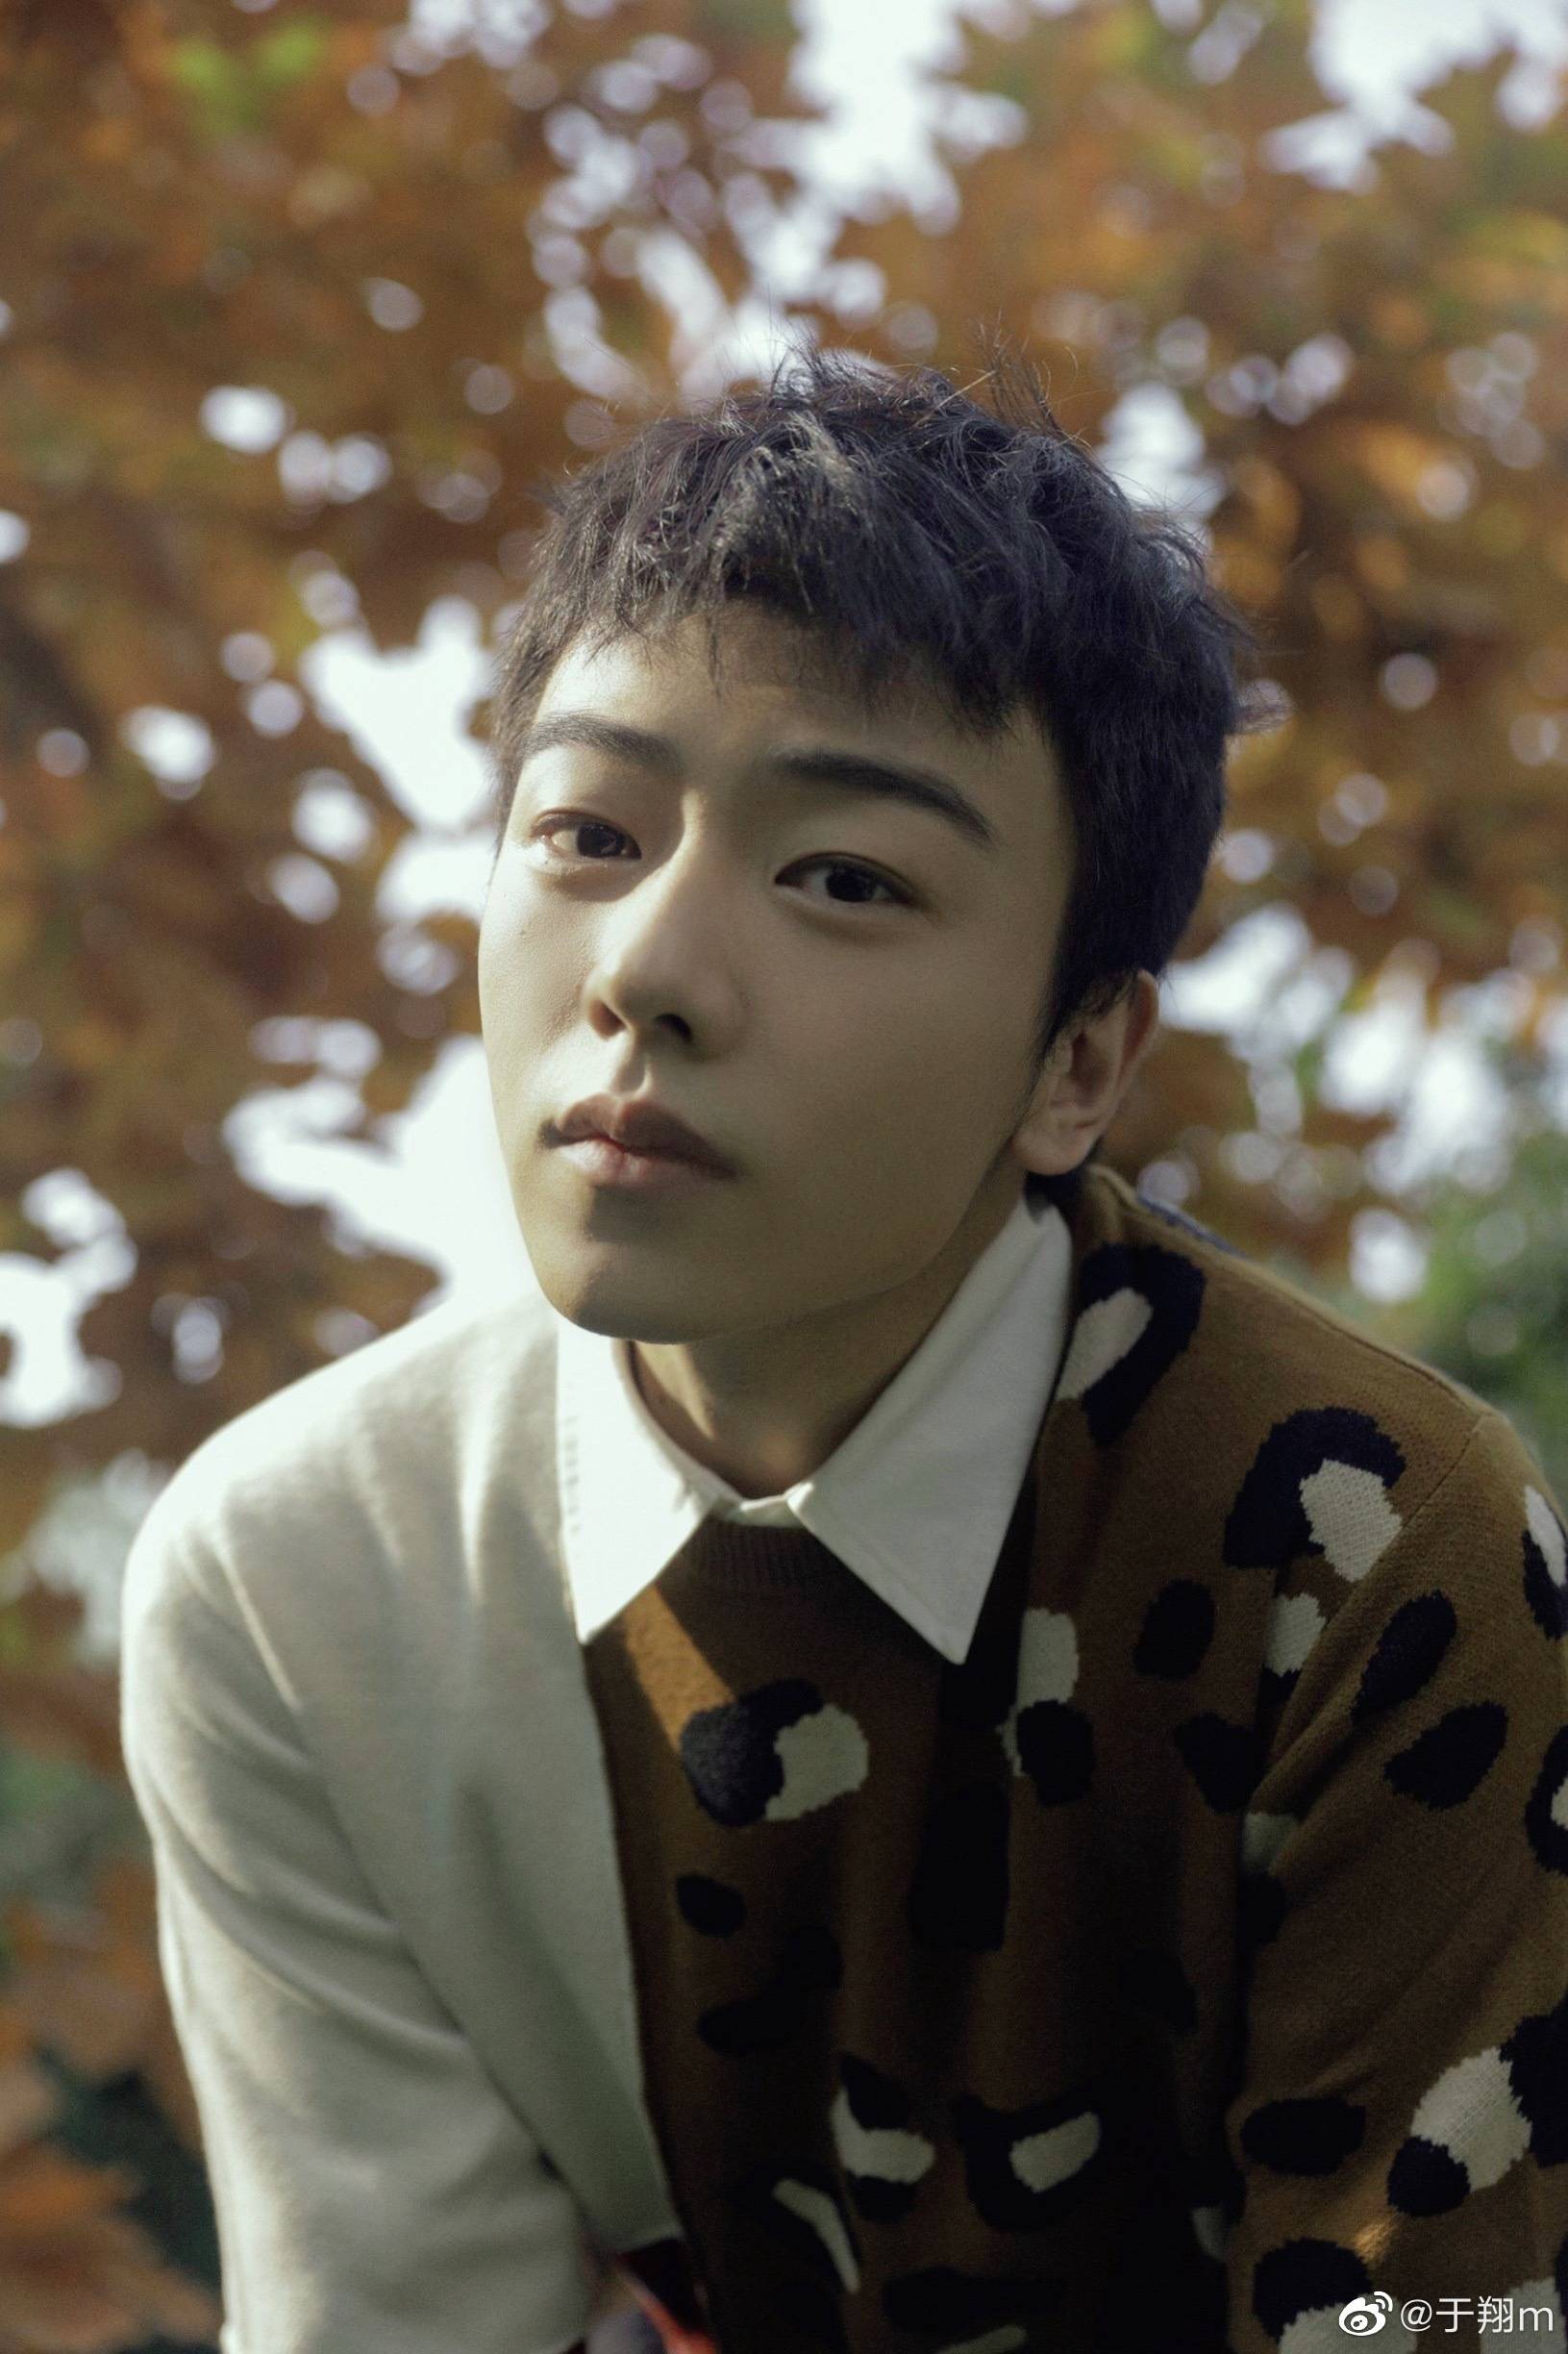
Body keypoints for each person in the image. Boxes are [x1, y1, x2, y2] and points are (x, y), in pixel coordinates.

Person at [119, 346, 1568, 2354]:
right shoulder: (305, 1588)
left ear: (1080, 1064)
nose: (646, 973)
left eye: (845, 879)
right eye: (587, 834)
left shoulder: (1369, 1548)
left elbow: (1442, 2324)